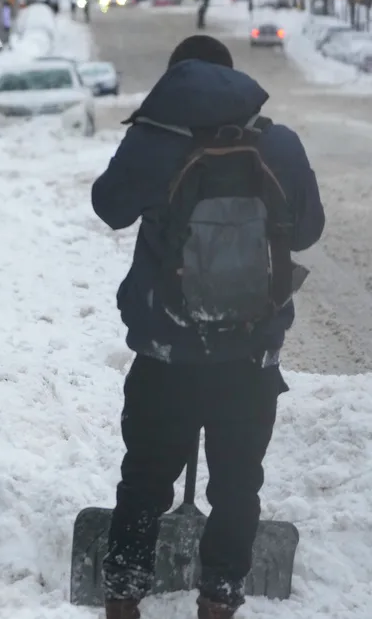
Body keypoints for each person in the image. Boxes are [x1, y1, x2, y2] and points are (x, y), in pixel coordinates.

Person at [91, 35, 325, 619]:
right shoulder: (279, 144)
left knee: (144, 477)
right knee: (238, 483)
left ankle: (122, 594)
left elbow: (109, 206)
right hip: (249, 355)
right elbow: (308, 231)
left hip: (164, 351)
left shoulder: (153, 142)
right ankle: (219, 599)